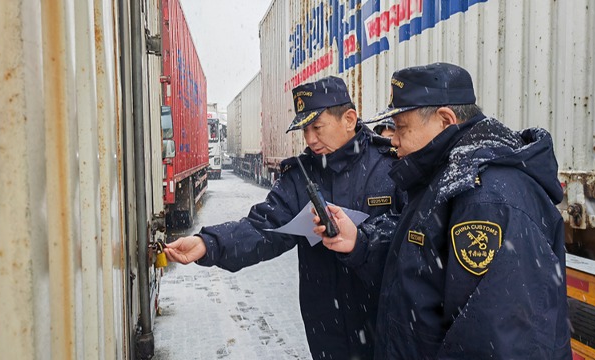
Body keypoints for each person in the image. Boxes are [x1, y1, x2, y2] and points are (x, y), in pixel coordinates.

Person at [313, 63, 572, 359]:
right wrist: (360, 242)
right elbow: (424, 255)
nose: (393, 139)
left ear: (445, 119)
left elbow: (497, 344)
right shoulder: (447, 179)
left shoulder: (486, 200)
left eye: (401, 127)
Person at [164, 76, 404, 360]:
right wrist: (209, 243)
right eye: (305, 130)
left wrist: (362, 241)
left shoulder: (391, 164)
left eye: (317, 127)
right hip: (326, 324)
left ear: (349, 119)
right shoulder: (301, 175)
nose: (310, 139)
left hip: (383, 318)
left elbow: (409, 236)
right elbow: (264, 227)